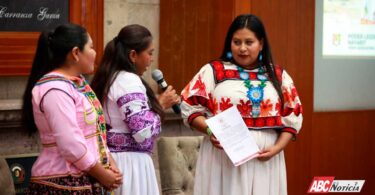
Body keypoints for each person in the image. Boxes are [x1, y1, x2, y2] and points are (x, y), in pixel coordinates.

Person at [180, 14, 303, 195]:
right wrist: (209, 130)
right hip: (223, 156)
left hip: (265, 159)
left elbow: (293, 116)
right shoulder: (213, 71)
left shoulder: (277, 75)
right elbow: (189, 107)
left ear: (261, 44)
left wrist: (277, 148)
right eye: (236, 42)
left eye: (249, 42)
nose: (242, 48)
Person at [22, 23, 122, 194]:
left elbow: (95, 130)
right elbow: (70, 144)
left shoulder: (77, 83)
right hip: (62, 182)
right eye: (90, 47)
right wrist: (101, 174)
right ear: (76, 53)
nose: (95, 53)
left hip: (84, 177)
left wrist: (108, 161)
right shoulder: (54, 89)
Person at [91, 24, 179, 195]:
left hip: (118, 161)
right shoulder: (128, 81)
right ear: (133, 55)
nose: (151, 59)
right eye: (150, 53)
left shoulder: (111, 77)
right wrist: (160, 105)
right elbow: (142, 133)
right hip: (130, 165)